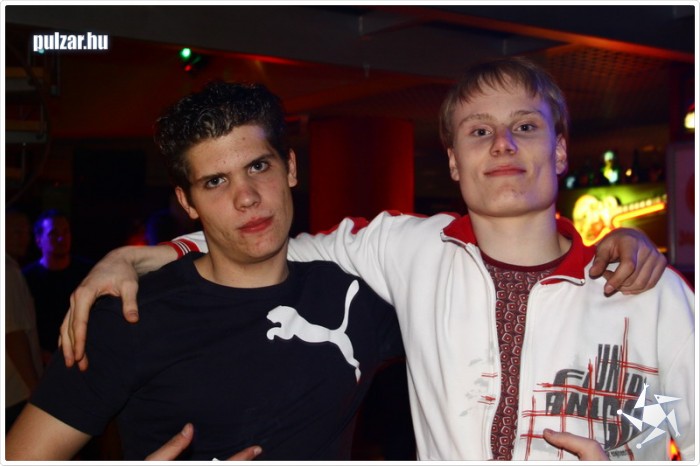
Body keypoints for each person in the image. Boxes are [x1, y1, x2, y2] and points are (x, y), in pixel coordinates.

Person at [58, 59, 675, 461]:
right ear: (453, 161)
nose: (503, 145)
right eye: (479, 132)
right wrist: (149, 255)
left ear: (561, 150)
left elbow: (683, 437)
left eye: (525, 127)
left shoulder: (651, 295)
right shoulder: (406, 250)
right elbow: (262, 245)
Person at [5, 82, 405, 461]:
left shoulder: (357, 298)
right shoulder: (130, 317)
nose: (246, 197)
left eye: (258, 166)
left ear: (290, 168)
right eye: (215, 181)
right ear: (187, 202)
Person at [22, 209, 94, 363]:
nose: (61, 238)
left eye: (66, 232)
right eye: (53, 234)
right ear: (39, 240)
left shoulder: (87, 273)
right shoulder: (26, 279)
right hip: (43, 360)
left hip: (82, 355)